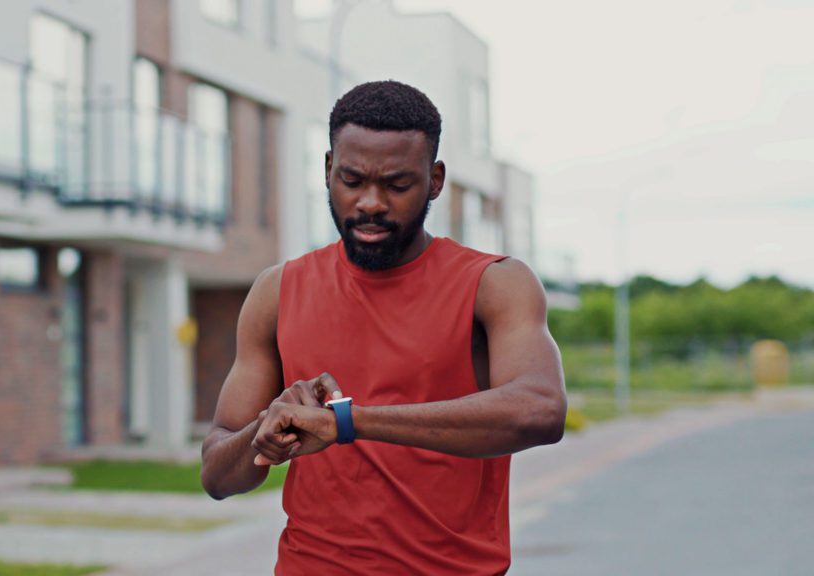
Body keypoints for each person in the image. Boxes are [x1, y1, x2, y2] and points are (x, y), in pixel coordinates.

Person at [200, 80, 566, 575]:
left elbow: (541, 411)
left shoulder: (493, 283)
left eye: (397, 185)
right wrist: (264, 435)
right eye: (352, 180)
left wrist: (349, 423)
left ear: (434, 180)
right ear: (328, 168)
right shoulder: (278, 289)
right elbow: (217, 474)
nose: (371, 202)